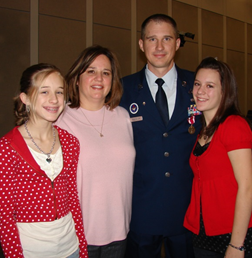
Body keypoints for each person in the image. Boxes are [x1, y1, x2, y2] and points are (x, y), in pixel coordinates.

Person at [120, 13, 201, 258]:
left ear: (177, 43)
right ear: (141, 44)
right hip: (141, 212)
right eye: (151, 39)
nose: (159, 47)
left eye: (166, 38)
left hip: (187, 210)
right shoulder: (123, 89)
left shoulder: (198, 85)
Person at [0, 63, 88, 258]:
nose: (54, 100)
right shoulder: (8, 148)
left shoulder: (70, 142)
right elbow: (4, 215)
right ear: (25, 98)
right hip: (31, 252)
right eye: (44, 92)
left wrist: (82, 249)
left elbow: (73, 200)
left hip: (70, 248)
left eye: (59, 92)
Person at [55, 45, 135, 258]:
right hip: (78, 235)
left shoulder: (123, 116)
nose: (99, 78)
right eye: (91, 71)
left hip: (119, 232)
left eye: (106, 73)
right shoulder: (60, 120)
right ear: (77, 77)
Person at [184, 57, 252, 258]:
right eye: (197, 84)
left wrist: (236, 246)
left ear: (225, 91)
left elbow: (247, 187)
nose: (200, 91)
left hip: (231, 233)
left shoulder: (234, 125)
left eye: (210, 85)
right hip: (203, 233)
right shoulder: (202, 130)